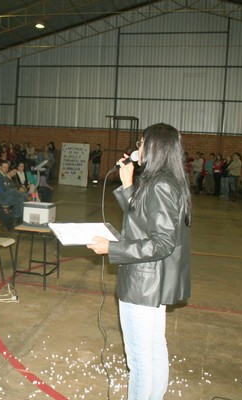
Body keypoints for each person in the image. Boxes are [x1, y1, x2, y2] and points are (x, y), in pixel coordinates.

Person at [88, 123, 191, 400]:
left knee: (140, 360)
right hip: (150, 281)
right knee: (154, 350)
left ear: (155, 147)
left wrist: (113, 247)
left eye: (142, 143)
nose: (138, 148)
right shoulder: (162, 181)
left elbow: (161, 242)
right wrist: (127, 186)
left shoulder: (160, 185)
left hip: (143, 282)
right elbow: (144, 221)